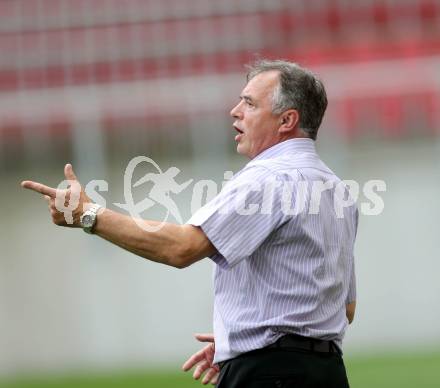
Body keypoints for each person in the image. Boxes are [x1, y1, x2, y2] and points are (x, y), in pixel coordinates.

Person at [22, 59, 358, 387]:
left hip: (272, 374)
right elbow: (346, 307)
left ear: (287, 120)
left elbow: (182, 248)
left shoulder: (268, 179)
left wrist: (89, 216)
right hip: (328, 372)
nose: (235, 111)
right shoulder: (338, 189)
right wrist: (243, 340)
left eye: (249, 103)